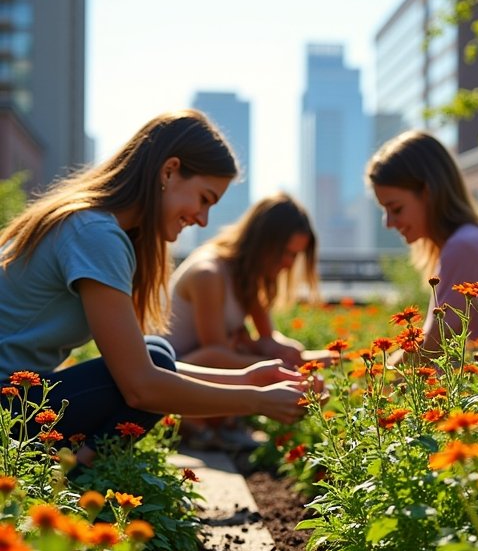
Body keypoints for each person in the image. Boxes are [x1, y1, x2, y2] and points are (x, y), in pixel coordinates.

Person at [0, 109, 308, 468]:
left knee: (156, 350)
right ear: (169, 171)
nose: (202, 219)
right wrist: (258, 400)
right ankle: (71, 478)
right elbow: (140, 385)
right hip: (8, 407)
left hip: (17, 400)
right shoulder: (96, 234)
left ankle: (71, 472)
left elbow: (143, 365)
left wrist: (247, 379)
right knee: (155, 365)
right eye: (204, 198)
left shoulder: (92, 224)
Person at [167, 193, 333, 450]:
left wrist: (312, 358)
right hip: (170, 373)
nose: (288, 264)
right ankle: (199, 424)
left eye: (295, 256)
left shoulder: (248, 275)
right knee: (234, 357)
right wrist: (283, 367)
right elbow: (217, 355)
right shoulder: (209, 273)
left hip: (198, 364)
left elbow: (268, 338)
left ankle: (210, 424)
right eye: (285, 254)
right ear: (263, 243)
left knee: (269, 355)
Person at [366, 130, 478, 357]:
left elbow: (432, 344)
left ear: (428, 193)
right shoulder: (469, 239)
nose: (388, 222)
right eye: (384, 210)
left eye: (396, 209)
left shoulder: (463, 246)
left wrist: (374, 381)